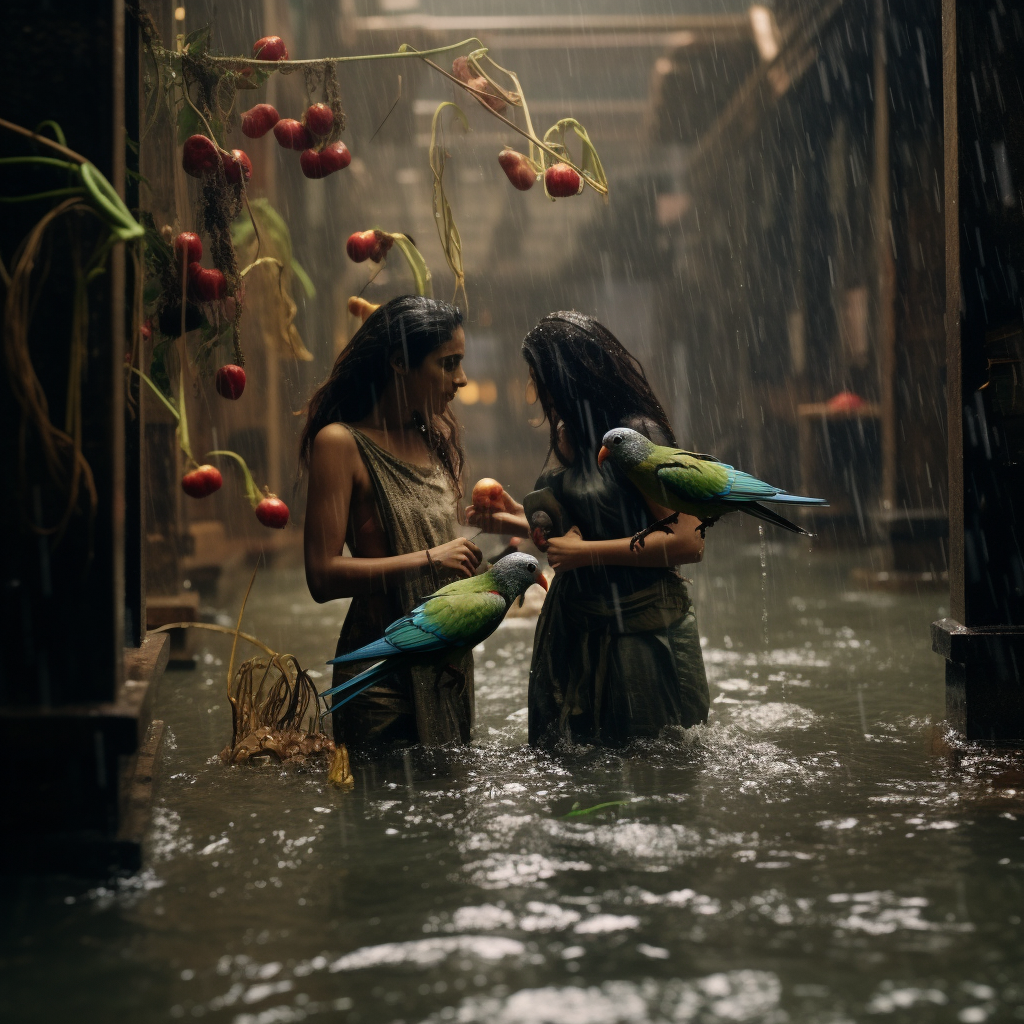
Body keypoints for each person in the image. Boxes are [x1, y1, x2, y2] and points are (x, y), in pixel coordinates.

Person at [468, 311, 709, 747]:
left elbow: (688, 540)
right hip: (577, 627)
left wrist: (587, 554)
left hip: (640, 630)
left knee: (648, 769)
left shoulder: (635, 435)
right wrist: (513, 516)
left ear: (566, 377)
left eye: (537, 377)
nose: (534, 390)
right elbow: (594, 522)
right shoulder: (569, 434)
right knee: (573, 770)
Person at [301, 296, 483, 748]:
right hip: (379, 680)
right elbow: (321, 577)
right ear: (400, 362)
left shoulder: (435, 437)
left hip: (446, 671)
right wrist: (429, 558)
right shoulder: (340, 445)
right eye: (448, 363)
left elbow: (443, 551)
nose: (462, 379)